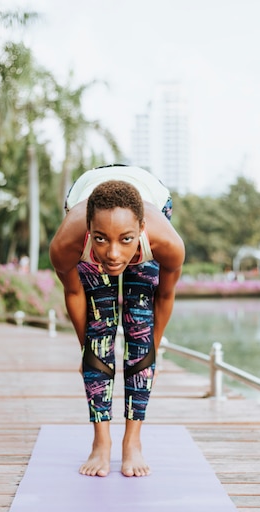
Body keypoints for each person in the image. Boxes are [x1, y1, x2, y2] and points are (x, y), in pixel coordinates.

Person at [49, 164, 185, 478]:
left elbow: (163, 298)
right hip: (84, 199)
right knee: (99, 334)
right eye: (101, 239)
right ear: (87, 230)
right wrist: (89, 352)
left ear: (141, 230)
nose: (112, 254)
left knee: (140, 328)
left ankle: (132, 442)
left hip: (153, 197)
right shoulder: (66, 244)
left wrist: (153, 350)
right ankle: (101, 442)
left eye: (125, 240)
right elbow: (74, 294)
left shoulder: (167, 244)